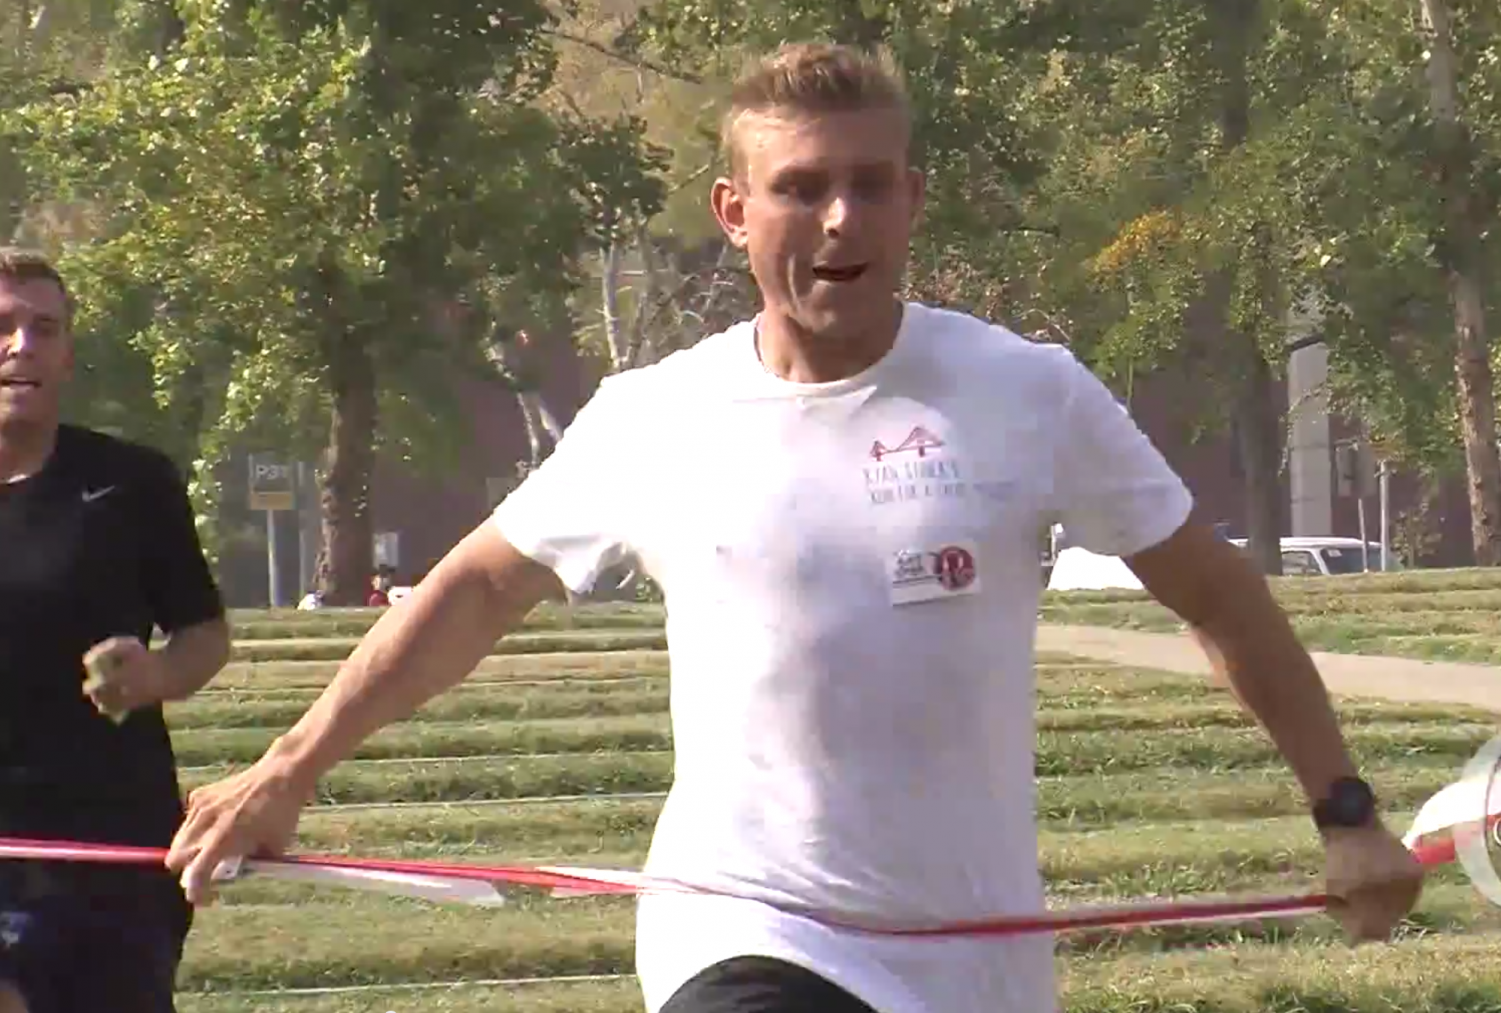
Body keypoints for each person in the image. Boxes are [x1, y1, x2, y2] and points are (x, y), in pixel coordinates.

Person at [164, 43, 1424, 1013]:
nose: (839, 220)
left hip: (974, 954)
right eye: (801, 187)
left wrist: (1346, 809)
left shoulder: (1029, 392)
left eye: (869, 186)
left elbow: (1219, 597)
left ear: (913, 199)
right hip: (745, 926)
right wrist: (290, 764)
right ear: (733, 210)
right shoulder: (653, 414)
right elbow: (473, 594)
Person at [0, 247, 232, 1012]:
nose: (22, 345)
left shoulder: (133, 483)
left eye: (44, 328)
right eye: (3, 326)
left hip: (113, 847)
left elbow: (204, 634)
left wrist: (155, 675)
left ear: (68, 355)